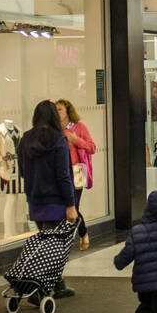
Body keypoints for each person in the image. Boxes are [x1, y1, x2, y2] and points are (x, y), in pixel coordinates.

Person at [18, 100, 78, 298]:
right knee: (52, 247)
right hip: (56, 201)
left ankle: (57, 283)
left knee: (45, 243)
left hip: (35, 199)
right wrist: (71, 204)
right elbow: (63, 175)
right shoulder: (58, 140)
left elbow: (22, 170)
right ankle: (38, 288)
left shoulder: (25, 139)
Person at [57, 99, 97, 252]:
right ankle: (77, 234)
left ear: (68, 112)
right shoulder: (55, 129)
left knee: (74, 206)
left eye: (60, 109)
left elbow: (92, 148)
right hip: (61, 172)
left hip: (77, 171)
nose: (57, 112)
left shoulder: (79, 127)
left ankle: (82, 233)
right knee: (63, 206)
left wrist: (76, 140)